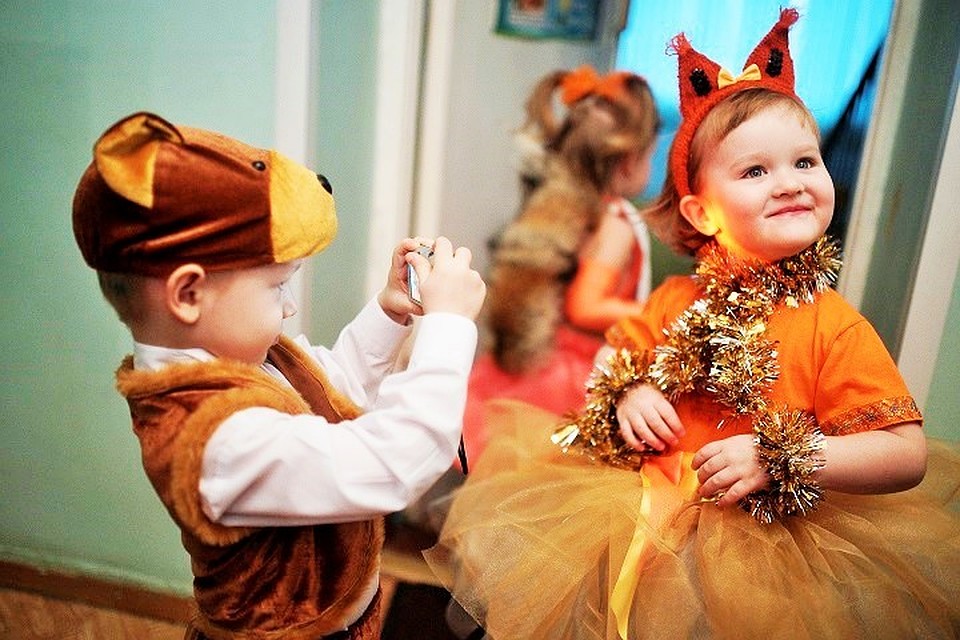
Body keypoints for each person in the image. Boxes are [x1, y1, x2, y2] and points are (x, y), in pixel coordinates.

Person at [425, 9, 960, 639]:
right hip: (640, 519)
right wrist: (629, 392)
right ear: (702, 212)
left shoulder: (833, 328)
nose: (789, 183)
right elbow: (611, 362)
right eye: (755, 171)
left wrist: (779, 456)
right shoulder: (674, 300)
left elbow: (904, 454)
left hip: (764, 550)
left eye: (805, 162)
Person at [71, 111, 485, 639]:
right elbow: (390, 464)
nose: (289, 306)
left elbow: (329, 391)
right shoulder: (214, 440)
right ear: (188, 294)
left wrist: (389, 312)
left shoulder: (238, 360)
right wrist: (448, 327)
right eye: (276, 286)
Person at [463, 65, 661, 460]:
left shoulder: (572, 208)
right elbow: (584, 306)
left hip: (541, 361)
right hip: (570, 378)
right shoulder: (615, 225)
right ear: (628, 160)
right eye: (651, 156)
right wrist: (656, 312)